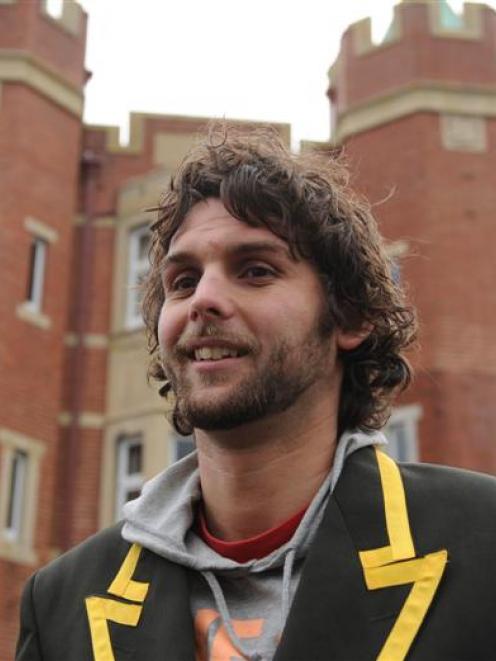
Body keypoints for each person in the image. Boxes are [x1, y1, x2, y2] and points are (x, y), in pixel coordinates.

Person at [16, 126, 496, 661]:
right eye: (182, 280)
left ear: (351, 316)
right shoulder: (63, 603)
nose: (204, 299)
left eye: (256, 271)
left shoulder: (483, 545)